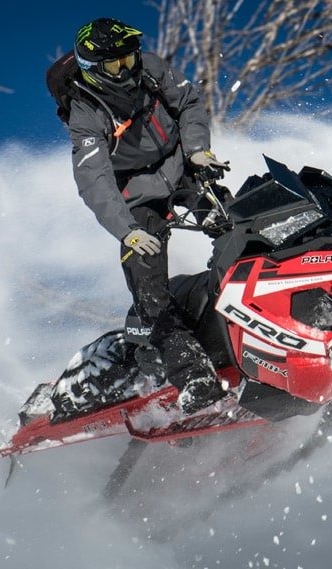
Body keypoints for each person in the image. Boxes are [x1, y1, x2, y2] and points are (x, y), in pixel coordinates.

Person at [65, 17, 229, 414]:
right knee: (149, 286)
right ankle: (193, 376)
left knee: (236, 223)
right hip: (137, 198)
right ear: (92, 69)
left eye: (129, 57)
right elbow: (94, 180)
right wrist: (127, 232)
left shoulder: (151, 68)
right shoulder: (86, 111)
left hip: (182, 167)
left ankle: (262, 321)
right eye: (115, 65)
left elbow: (189, 101)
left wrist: (196, 149)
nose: (127, 69)